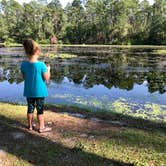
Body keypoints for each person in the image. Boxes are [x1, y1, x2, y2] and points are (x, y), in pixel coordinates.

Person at [21, 39, 51, 133]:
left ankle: (30, 126)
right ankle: (41, 127)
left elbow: (24, 77)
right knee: (40, 109)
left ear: (26, 51)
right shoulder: (42, 65)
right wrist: (48, 69)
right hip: (39, 92)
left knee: (30, 108)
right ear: (37, 51)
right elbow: (47, 78)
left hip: (29, 91)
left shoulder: (23, 64)